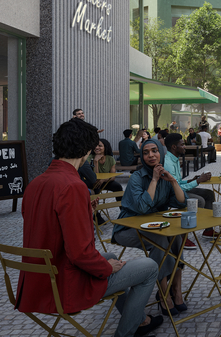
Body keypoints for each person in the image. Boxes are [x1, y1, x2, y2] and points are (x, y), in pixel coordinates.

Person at [17, 120, 162, 337]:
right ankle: (126, 332)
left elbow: (48, 225)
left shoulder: (36, 183)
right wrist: (106, 269)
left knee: (111, 254)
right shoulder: (73, 186)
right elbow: (79, 253)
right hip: (66, 284)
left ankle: (138, 320)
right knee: (149, 267)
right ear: (86, 150)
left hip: (39, 280)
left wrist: (83, 210)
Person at [113, 138, 188, 315]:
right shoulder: (137, 178)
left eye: (154, 150)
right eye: (145, 152)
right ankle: (163, 295)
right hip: (127, 228)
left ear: (160, 153)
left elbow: (181, 203)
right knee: (160, 239)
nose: (151, 155)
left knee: (178, 236)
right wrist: (154, 180)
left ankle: (176, 289)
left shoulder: (165, 174)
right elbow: (141, 207)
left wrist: (173, 182)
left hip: (155, 226)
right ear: (141, 156)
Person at [163, 133, 217, 246]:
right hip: (171, 194)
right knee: (198, 201)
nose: (185, 146)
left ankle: (208, 230)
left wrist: (191, 180)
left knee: (208, 194)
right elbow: (175, 187)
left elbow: (178, 182)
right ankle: (182, 237)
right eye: (182, 144)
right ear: (174, 147)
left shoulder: (174, 158)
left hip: (178, 189)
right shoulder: (168, 162)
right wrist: (197, 181)